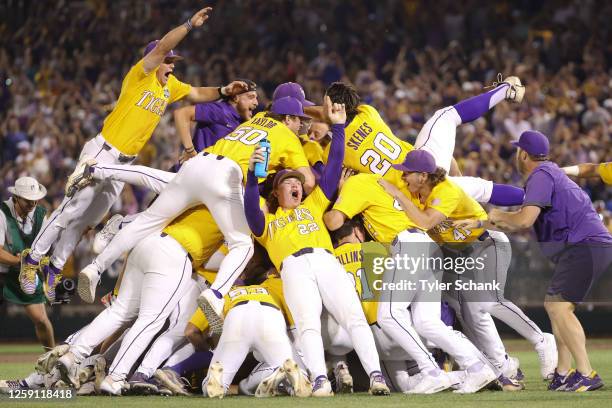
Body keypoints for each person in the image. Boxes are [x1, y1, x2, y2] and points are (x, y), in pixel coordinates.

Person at [19, 6, 249, 296]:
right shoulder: (141, 75)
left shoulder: (169, 86)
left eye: (173, 62)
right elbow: (164, 45)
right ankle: (34, 258)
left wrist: (224, 90)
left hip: (124, 164)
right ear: (153, 60)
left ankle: (55, 267)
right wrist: (189, 24)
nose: (171, 64)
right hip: (103, 152)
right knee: (70, 211)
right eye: (167, 61)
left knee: (88, 221)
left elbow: (196, 93)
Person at [73, 96, 315, 343]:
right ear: (288, 118)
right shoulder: (287, 136)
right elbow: (308, 181)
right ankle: (216, 295)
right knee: (242, 245)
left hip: (199, 163)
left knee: (148, 219)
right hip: (226, 178)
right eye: (300, 120)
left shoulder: (257, 120)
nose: (302, 126)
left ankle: (96, 266)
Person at [244, 96, 389, 397]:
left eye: (298, 181)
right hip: (293, 267)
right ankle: (320, 379)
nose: (296, 184)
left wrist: (338, 130)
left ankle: (376, 376)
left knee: (353, 316)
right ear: (276, 191)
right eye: (288, 182)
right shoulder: (267, 221)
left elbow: (334, 166)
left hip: (325, 260)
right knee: (307, 324)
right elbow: (249, 207)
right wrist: (249, 178)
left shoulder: (313, 205)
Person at [378, 149, 556, 382]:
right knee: (470, 312)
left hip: (486, 243)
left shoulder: (446, 190)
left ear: (423, 176)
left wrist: (397, 195)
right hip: (458, 253)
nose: (403, 178)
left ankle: (541, 340)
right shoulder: (420, 191)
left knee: (489, 300)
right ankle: (502, 364)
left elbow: (426, 221)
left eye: (407, 174)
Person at [455, 130, 612, 392]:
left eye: (518, 150)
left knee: (559, 308)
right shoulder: (550, 172)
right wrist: (483, 221)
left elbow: (523, 221)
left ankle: (586, 373)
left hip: (584, 245)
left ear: (523, 153)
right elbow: (521, 218)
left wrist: (494, 215)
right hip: (587, 245)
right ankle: (563, 372)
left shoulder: (540, 176)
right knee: (555, 305)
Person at [0, 177, 55, 349]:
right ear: (16, 198)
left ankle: (51, 359)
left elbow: (46, 248)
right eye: (28, 200)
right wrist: (20, 260)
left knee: (41, 320)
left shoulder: (40, 215)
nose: (33, 203)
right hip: (2, 271)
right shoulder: (1, 214)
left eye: (35, 199)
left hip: (24, 273)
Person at [174, 78, 259, 160]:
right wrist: (190, 150)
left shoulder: (243, 123)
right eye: (251, 97)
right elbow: (182, 113)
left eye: (256, 98)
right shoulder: (220, 110)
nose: (256, 103)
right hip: (192, 171)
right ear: (235, 98)